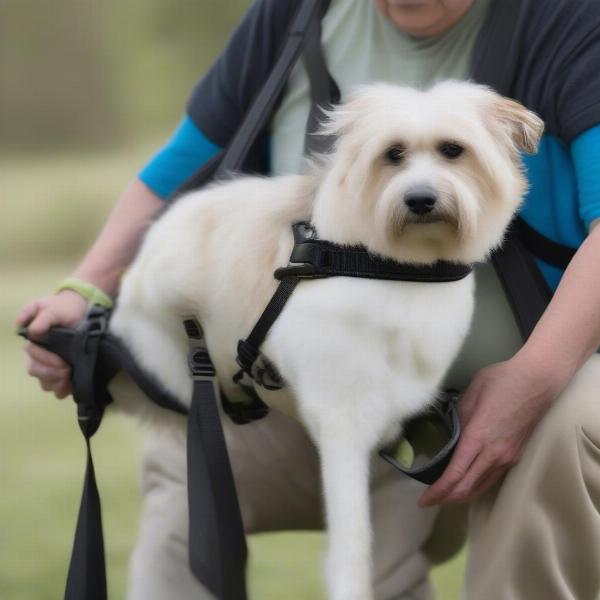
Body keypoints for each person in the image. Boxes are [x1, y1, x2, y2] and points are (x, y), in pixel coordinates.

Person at [17, 0, 600, 598]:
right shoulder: (297, 13)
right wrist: (85, 287)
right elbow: (185, 164)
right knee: (186, 460)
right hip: (318, 390)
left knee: (573, 425)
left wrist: (534, 379)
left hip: (527, 387)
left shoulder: (570, 20)